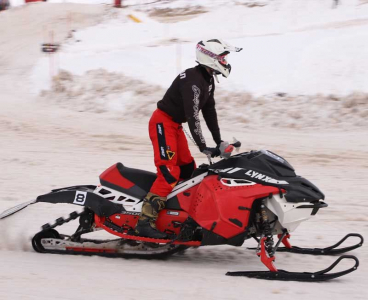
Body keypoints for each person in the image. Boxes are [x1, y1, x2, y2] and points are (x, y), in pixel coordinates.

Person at [135, 39, 242, 238]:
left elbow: (209, 111)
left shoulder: (208, 79)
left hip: (175, 125)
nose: (225, 61)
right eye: (222, 57)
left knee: (187, 169)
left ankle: (175, 216)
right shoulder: (192, 82)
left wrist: (218, 142)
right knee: (169, 172)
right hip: (162, 122)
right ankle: (145, 222)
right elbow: (193, 116)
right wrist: (203, 146)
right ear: (209, 58)